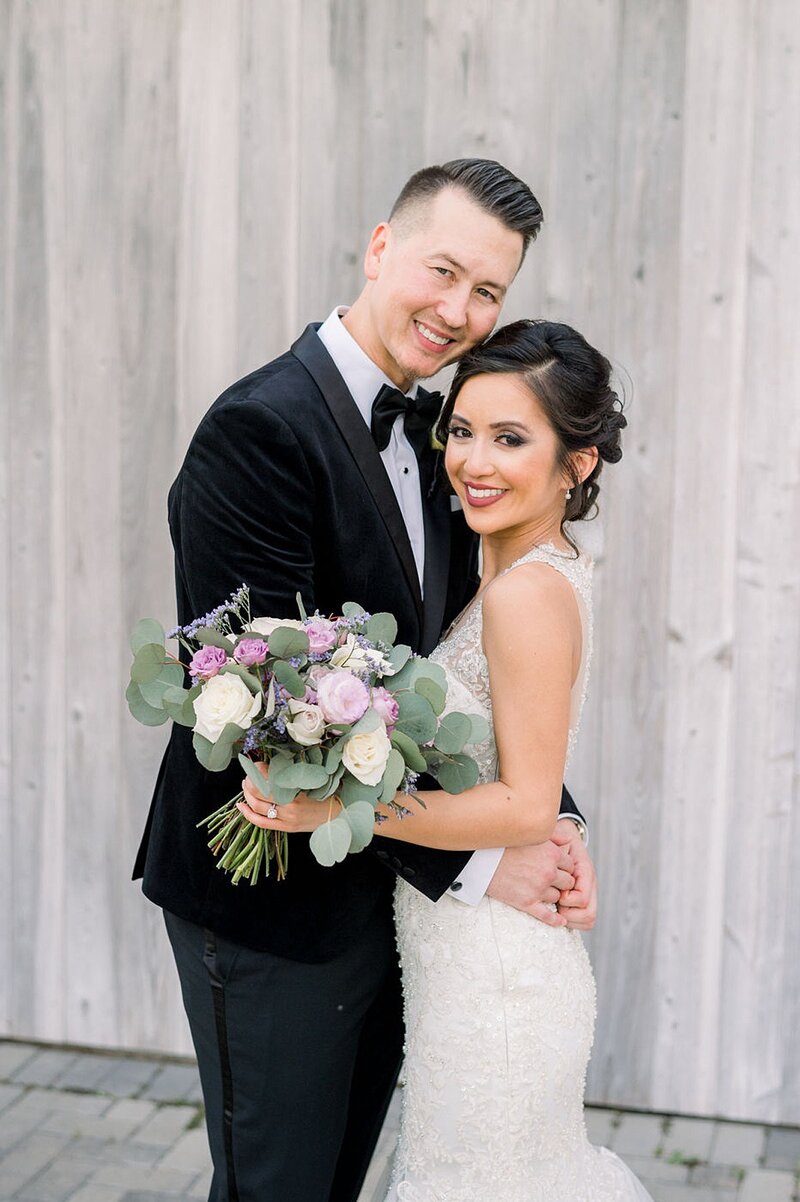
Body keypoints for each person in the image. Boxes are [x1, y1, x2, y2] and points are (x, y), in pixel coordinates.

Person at [133, 160, 596, 1202]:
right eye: (443, 270)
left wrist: (550, 827)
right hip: (269, 904)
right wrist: (480, 866)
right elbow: (274, 728)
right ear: (380, 247)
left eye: (488, 291)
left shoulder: (445, 435)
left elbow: (458, 673)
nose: (459, 310)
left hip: (382, 899)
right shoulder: (258, 430)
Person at [242, 319, 652, 1200]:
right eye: (463, 430)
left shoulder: (525, 595)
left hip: (496, 975)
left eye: (511, 439)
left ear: (576, 464)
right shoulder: (519, 570)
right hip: (465, 961)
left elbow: (525, 806)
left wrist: (339, 809)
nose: (473, 461)